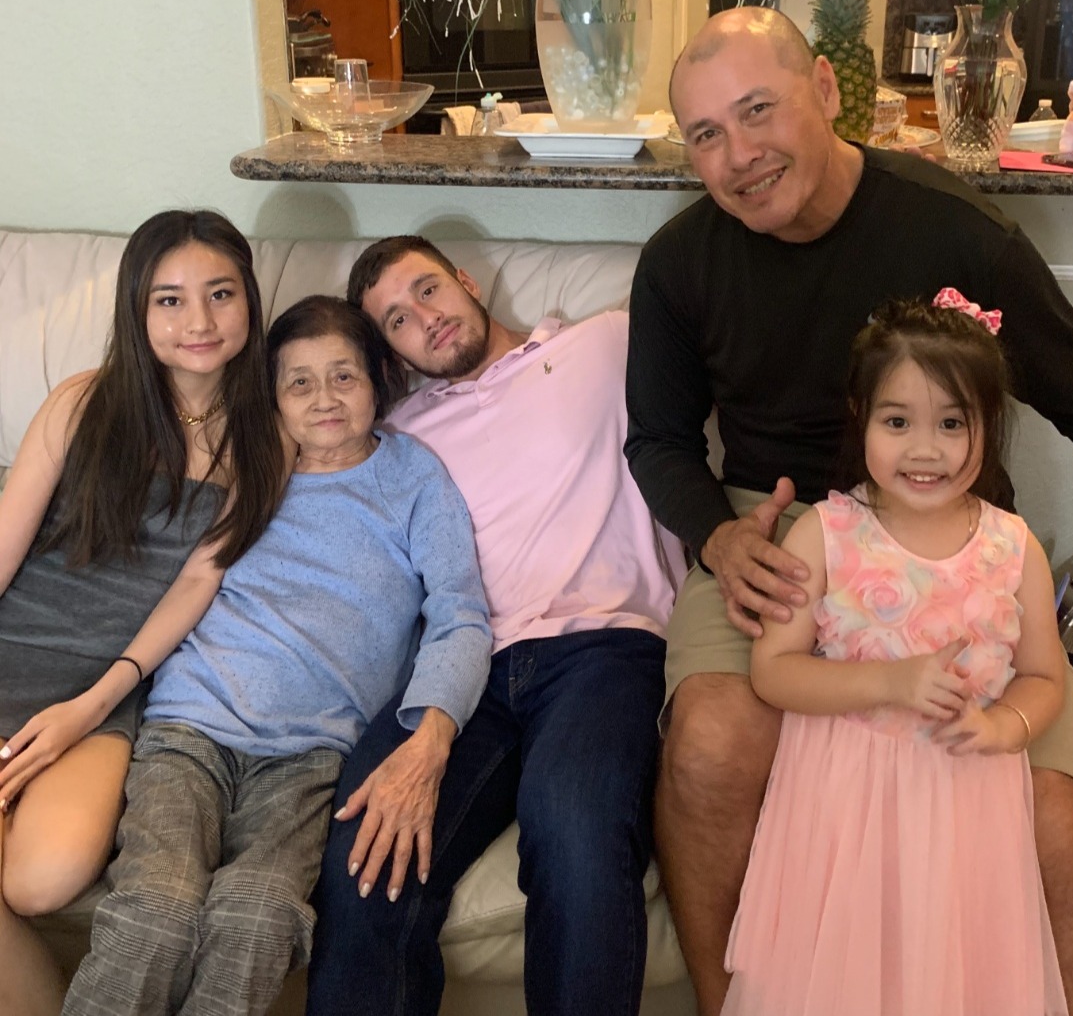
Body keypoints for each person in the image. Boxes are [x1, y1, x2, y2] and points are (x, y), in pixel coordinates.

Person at [626, 7, 1073, 1016]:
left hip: (952, 537)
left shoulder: (956, 231)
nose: (737, 154)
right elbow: (659, 440)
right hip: (774, 530)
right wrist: (715, 534)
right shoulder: (679, 262)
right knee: (711, 746)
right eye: (705, 133)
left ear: (827, 91)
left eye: (758, 110)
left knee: (1048, 818)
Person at [63, 295, 492, 1016]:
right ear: (272, 397)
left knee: (259, 914)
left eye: (344, 376)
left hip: (311, 756)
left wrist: (431, 730)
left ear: (379, 382)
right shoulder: (253, 466)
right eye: (299, 382)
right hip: (190, 730)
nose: (324, 399)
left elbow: (460, 613)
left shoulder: (414, 477)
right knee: (158, 910)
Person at [305, 237, 686, 1016]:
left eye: (428, 289)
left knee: (574, 824)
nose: (425, 319)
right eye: (397, 320)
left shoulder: (603, 345)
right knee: (363, 850)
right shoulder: (397, 437)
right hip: (464, 667)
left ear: (466, 281)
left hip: (604, 646)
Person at [722, 294, 1067, 1016]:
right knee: (846, 979)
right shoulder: (827, 532)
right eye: (898, 421)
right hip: (844, 808)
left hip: (967, 805)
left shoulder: (1013, 546)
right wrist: (891, 681)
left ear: (988, 424)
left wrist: (1004, 726)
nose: (925, 449)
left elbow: (1043, 676)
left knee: (948, 978)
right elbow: (774, 669)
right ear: (861, 417)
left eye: (952, 423)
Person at [0, 210, 282, 1016]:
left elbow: (196, 585)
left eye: (220, 293)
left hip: (103, 694)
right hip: (12, 649)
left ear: (250, 299)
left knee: (39, 882)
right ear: (137, 308)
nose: (199, 320)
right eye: (169, 299)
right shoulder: (82, 401)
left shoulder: (267, 438)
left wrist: (90, 706)